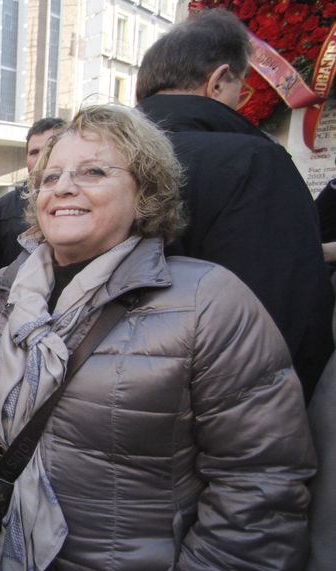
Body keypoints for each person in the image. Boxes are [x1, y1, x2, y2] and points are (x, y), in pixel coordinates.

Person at [0, 104, 315, 571]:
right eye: (51, 176)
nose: (63, 187)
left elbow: (261, 488)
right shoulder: (9, 292)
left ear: (145, 192)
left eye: (93, 172)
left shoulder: (207, 300)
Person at [136, 8, 333, 401]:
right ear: (217, 81)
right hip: (217, 414)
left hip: (98, 412)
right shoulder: (252, 163)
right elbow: (285, 321)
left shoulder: (86, 160)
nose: (239, 103)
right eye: (239, 91)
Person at [0, 118, 66, 267]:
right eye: (34, 152)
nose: (41, 159)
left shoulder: (83, 201)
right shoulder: (5, 206)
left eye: (49, 149)